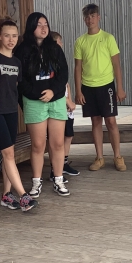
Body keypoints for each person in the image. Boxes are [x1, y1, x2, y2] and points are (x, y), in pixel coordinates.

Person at [0, 19, 38, 212]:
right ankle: (23, 195)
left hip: (11, 110)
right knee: (8, 153)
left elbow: (15, 88)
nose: (11, 40)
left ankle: (6, 194)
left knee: (8, 153)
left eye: (14, 36)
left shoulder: (16, 62)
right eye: (6, 36)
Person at [15, 12, 69, 198]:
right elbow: (20, 80)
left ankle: (58, 179)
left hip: (56, 100)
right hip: (34, 102)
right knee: (38, 145)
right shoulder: (22, 50)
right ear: (31, 27)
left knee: (58, 143)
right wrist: (36, 94)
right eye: (39, 24)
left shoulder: (54, 48)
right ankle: (36, 182)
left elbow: (63, 73)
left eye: (46, 24)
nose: (44, 28)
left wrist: (53, 90)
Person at [73, 4, 126, 173]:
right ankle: (99, 157)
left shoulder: (108, 38)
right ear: (84, 20)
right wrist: (78, 90)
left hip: (106, 85)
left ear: (99, 17)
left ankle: (118, 156)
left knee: (111, 121)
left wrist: (120, 88)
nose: (90, 20)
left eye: (93, 16)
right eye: (87, 17)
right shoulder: (80, 41)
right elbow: (77, 68)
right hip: (88, 87)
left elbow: (116, 65)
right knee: (95, 121)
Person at [51, 31, 79, 177]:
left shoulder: (60, 59)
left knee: (68, 135)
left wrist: (70, 99)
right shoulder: (50, 61)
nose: (61, 44)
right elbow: (55, 86)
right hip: (58, 105)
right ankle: (55, 168)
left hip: (67, 107)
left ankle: (64, 163)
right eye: (59, 41)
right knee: (58, 139)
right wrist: (67, 101)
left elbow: (66, 83)